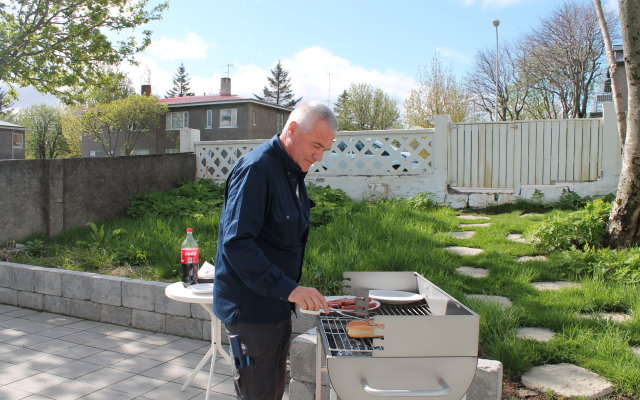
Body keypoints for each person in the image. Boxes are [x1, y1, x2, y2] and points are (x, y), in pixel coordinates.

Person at [213, 101, 336, 400]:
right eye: (316, 145)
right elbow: (237, 244)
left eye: (325, 150)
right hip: (252, 311)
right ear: (292, 129)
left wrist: (289, 293)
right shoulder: (257, 169)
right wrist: (290, 289)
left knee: (271, 391)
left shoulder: (292, 171)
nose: (319, 157)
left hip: (276, 304)